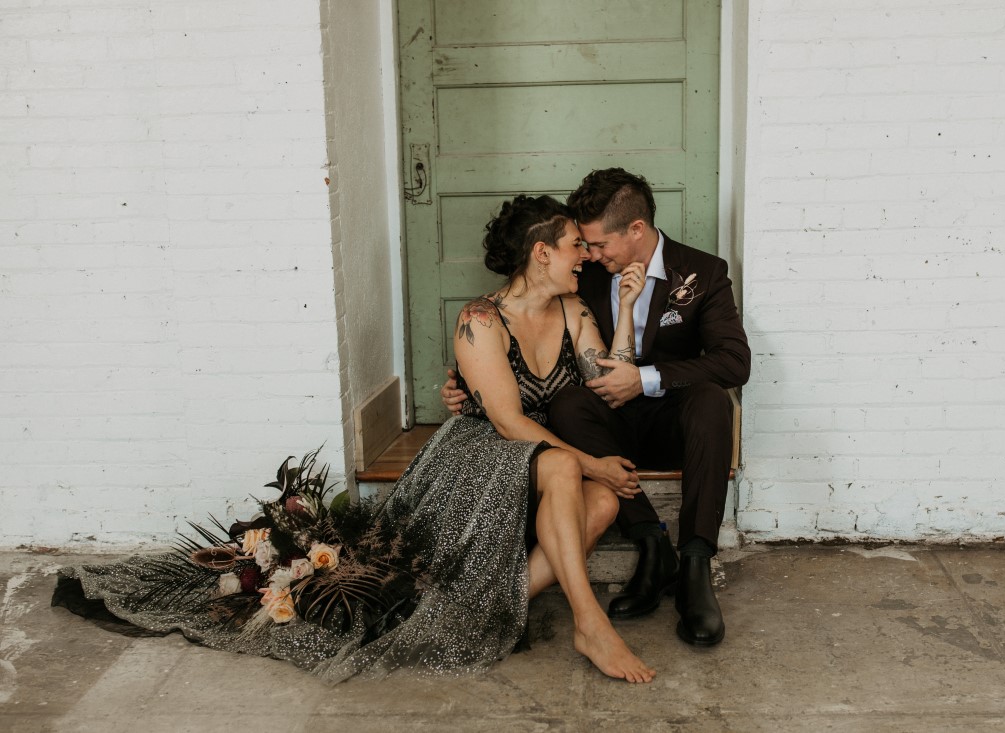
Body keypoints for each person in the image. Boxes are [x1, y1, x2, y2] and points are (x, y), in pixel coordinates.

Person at [54, 195, 655, 684]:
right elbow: (506, 423)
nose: (585, 255)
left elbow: (611, 380)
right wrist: (595, 464)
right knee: (567, 473)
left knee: (598, 502)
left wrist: (625, 308)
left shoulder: (575, 311)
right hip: (478, 454)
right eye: (576, 245)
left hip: (542, 452)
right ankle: (589, 622)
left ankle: (487, 605)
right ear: (542, 252)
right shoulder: (480, 319)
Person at [443, 169, 751, 647]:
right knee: (570, 406)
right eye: (579, 245)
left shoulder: (702, 272)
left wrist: (646, 376)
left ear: (636, 230)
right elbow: (511, 375)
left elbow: (734, 362)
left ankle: (693, 563)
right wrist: (466, 386)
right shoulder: (575, 282)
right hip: (593, 428)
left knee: (713, 400)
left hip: (673, 415)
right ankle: (650, 543)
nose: (589, 255)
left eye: (598, 245)